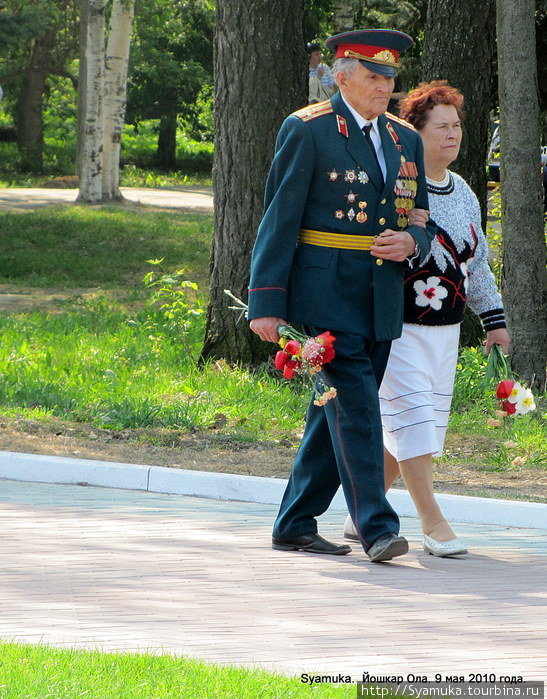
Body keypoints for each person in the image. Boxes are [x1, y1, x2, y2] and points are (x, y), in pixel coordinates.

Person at [248, 30, 435, 563]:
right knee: (356, 404)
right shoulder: (308, 130)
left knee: (332, 411)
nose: (385, 88)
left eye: (390, 79)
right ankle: (377, 527)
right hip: (323, 289)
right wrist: (266, 301)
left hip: (379, 293)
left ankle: (294, 522)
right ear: (342, 75)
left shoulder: (405, 139)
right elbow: (279, 217)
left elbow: (419, 214)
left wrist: (411, 241)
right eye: (374, 78)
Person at [343, 81, 510, 556]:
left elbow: (475, 266)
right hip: (399, 327)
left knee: (419, 426)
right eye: (442, 126)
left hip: (447, 332)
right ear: (415, 132)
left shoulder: (465, 193)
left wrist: (493, 321)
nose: (453, 134)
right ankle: (432, 523)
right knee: (414, 420)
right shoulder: (398, 186)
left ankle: (364, 511)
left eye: (457, 126)